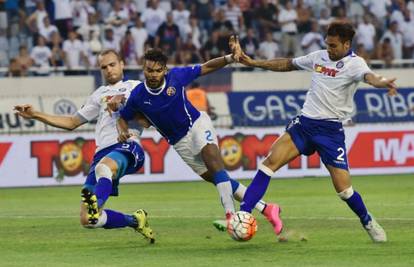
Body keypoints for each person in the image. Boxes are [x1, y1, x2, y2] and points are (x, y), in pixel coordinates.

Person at [232, 21, 397, 242]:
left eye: (334, 45)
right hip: (304, 124)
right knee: (268, 164)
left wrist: (383, 82)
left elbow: (370, 77)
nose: (329, 49)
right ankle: (244, 213)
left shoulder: (356, 64)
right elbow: (287, 64)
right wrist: (253, 62)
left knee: (344, 190)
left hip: (330, 132)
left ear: (347, 44)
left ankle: (367, 220)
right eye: (327, 44)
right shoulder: (319, 57)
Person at [112, 43, 283, 236]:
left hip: (197, 124)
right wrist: (123, 131)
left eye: (158, 71)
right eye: (149, 70)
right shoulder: (138, 96)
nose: (153, 74)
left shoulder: (176, 77)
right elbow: (122, 118)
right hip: (178, 143)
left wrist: (229, 58)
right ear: (144, 69)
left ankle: (230, 217)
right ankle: (267, 208)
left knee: (213, 159)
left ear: (164, 70)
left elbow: (206, 67)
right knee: (217, 179)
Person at [13, 49, 155, 243]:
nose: (108, 70)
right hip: (102, 152)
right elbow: (72, 122)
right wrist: (36, 114)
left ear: (122, 64)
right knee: (88, 220)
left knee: (104, 168)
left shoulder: (137, 87)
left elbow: (148, 119)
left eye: (112, 64)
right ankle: (135, 220)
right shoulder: (99, 94)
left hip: (127, 144)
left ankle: (95, 203)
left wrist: (123, 102)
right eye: (103, 67)